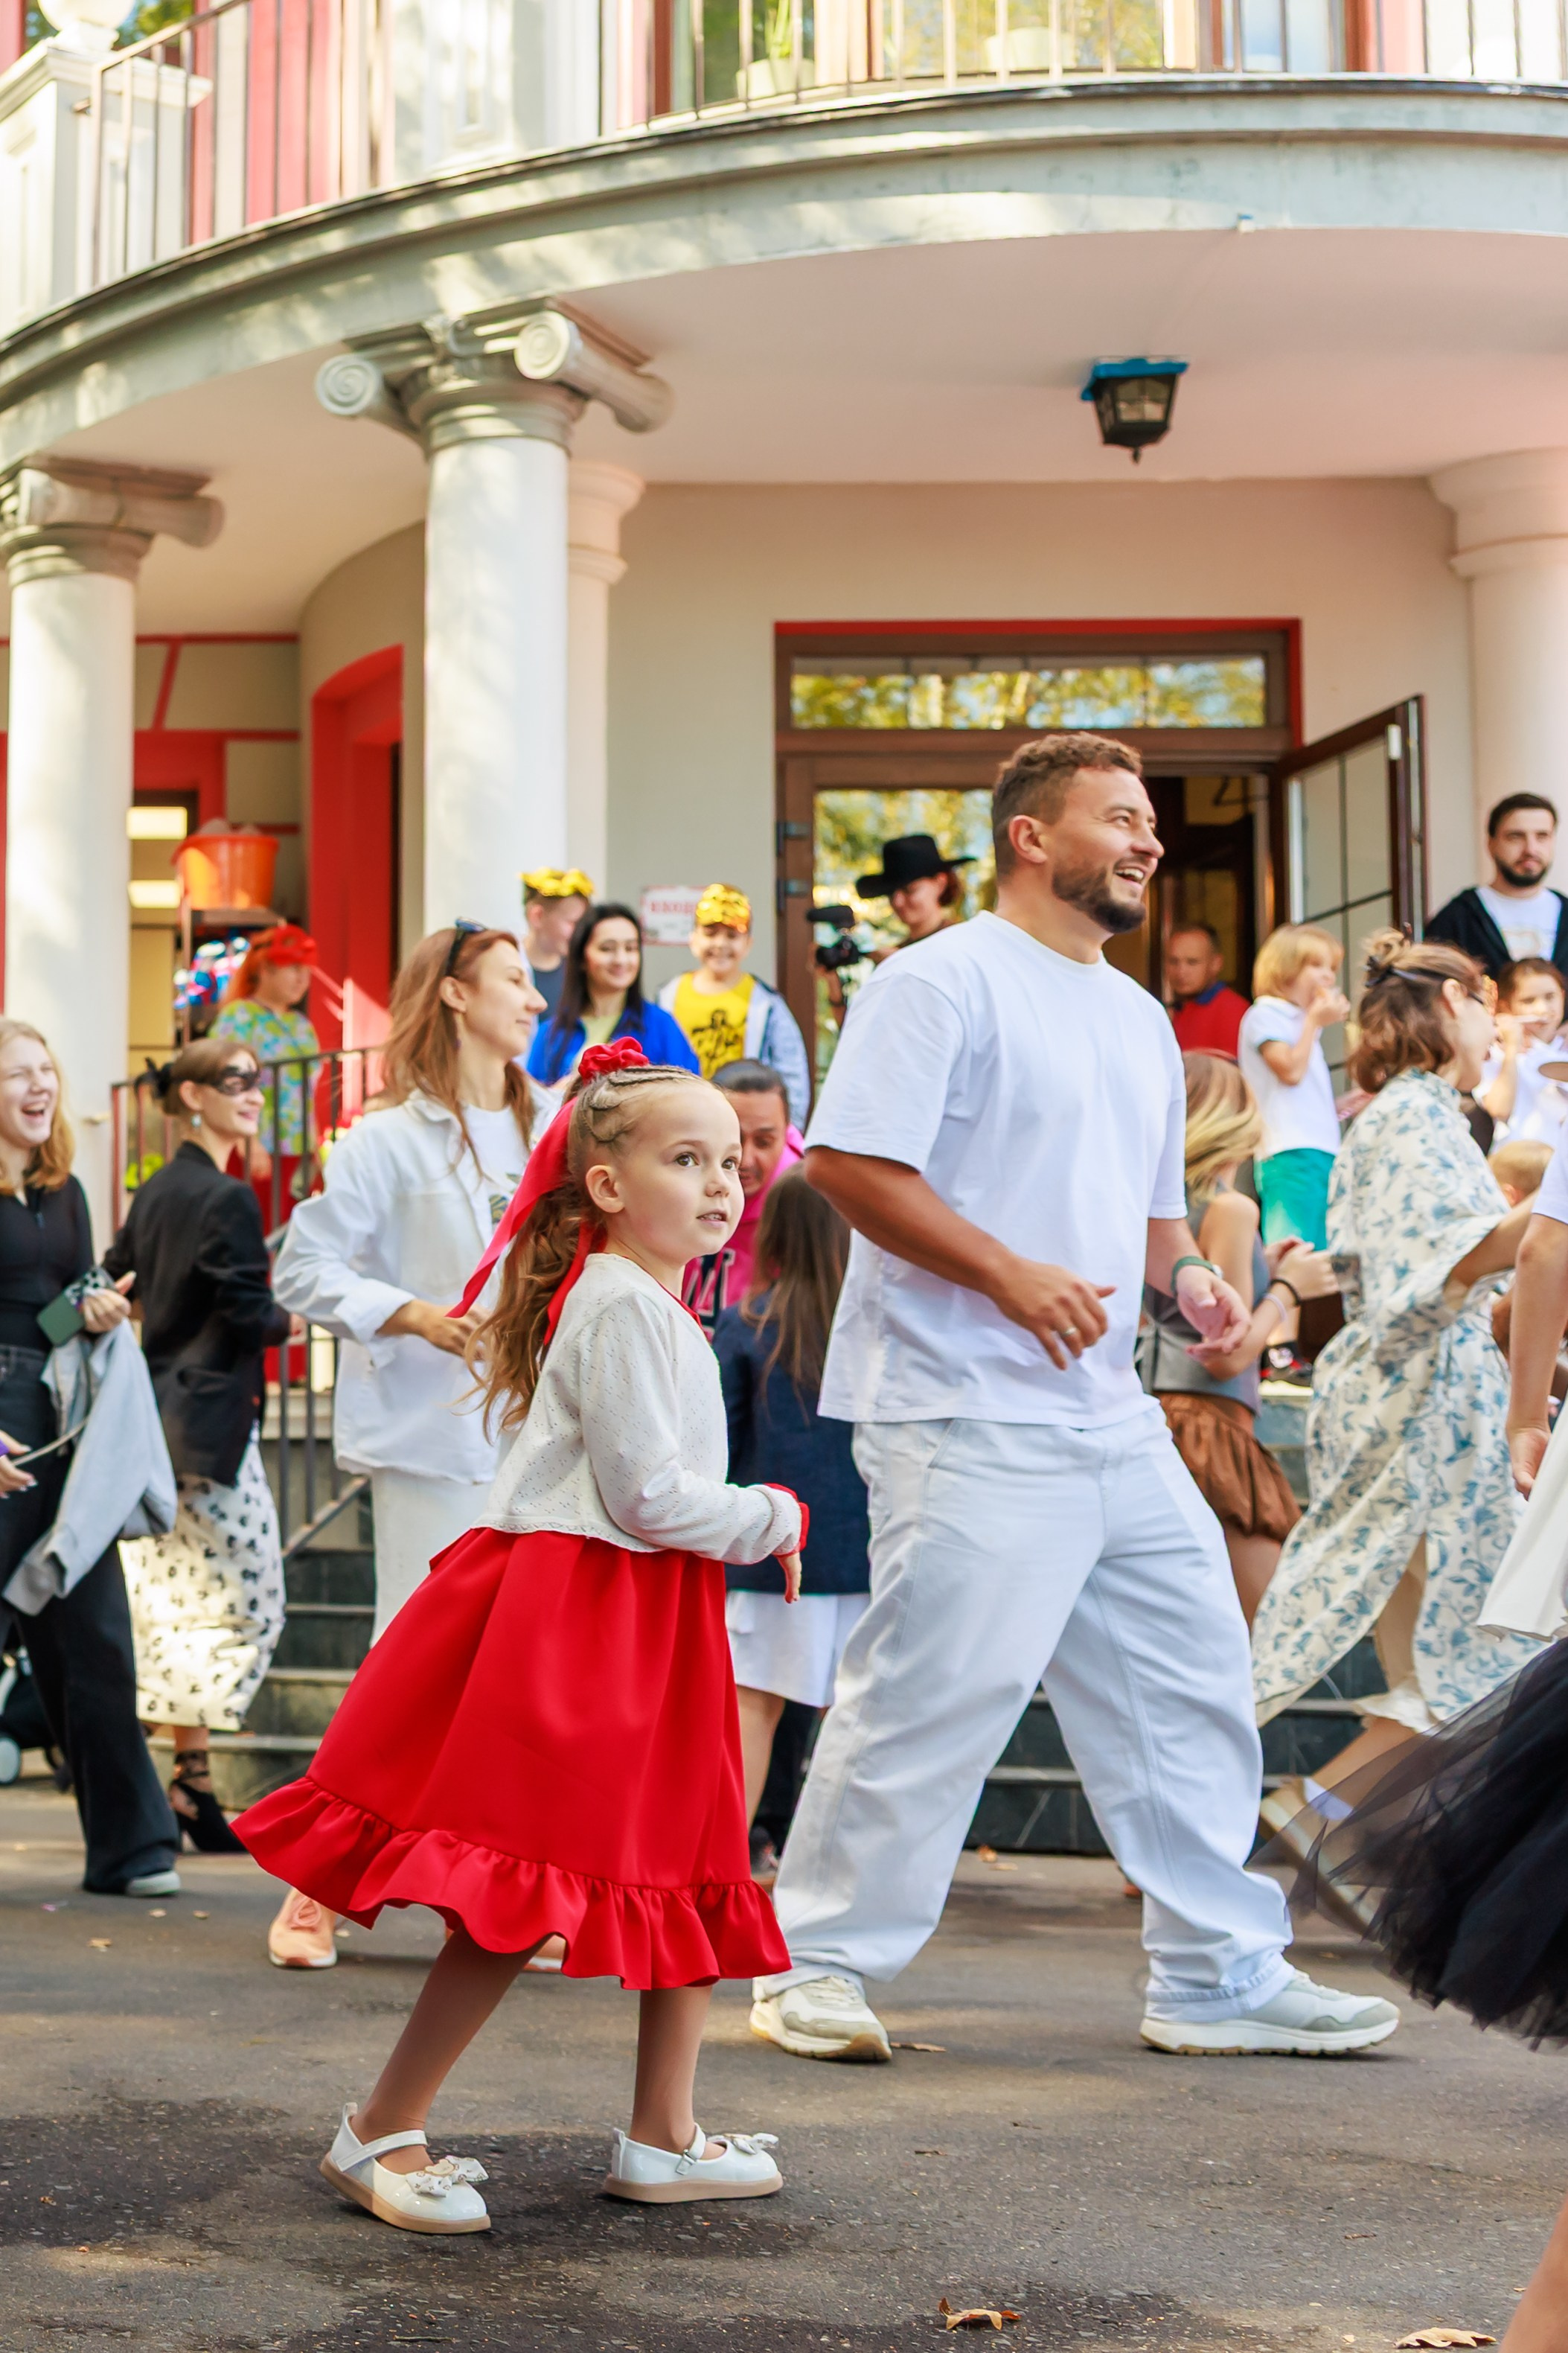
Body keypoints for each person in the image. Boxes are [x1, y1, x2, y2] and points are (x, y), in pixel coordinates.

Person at [749, 729, 1396, 2066]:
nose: (1149, 841)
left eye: (1149, 820)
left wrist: (1190, 1297)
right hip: (960, 1404)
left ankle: (1217, 1974)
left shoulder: (1139, 1020)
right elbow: (852, 1169)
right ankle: (814, 1960)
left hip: (1109, 1411)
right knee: (936, 1689)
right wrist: (1003, 1274)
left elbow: (1153, 1224)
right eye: (1120, 816)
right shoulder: (938, 983)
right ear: (1031, 836)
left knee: (1194, 1676)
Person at [236, 1045, 802, 2228]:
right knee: (522, 1875)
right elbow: (648, 1495)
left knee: (691, 1857)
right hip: (596, 1610)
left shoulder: (627, 1295)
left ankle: (665, 2132)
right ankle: (380, 2127)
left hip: (638, 1607)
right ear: (605, 1185)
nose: (721, 1181)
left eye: (731, 1159)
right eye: (684, 1158)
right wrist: (772, 1515)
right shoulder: (627, 1308)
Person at [269, 924, 550, 1967]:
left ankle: (493, 1902)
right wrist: (411, 1314)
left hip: (532, 1442)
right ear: (454, 996)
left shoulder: (551, 1127)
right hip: (429, 1437)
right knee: (406, 1661)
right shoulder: (383, 1139)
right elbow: (303, 1270)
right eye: (515, 981)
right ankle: (314, 1890)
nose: (533, 998)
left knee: (513, 1680)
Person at [1252, 933, 1542, 1869]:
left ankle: (1335, 1835)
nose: (1497, 1024)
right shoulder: (1414, 1117)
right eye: (1488, 999)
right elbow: (1448, 1259)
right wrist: (1550, 1215)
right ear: (1456, 1000)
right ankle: (1312, 1819)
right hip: (1424, 1410)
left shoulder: (1406, 1114)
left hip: (1415, 1401)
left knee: (1448, 1660)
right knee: (1473, 1657)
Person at [0, 1020, 182, 1897]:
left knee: (95, 1634)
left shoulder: (62, 1188)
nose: (39, 1086)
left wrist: (95, 1305)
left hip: (59, 1420)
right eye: (16, 1074)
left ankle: (133, 1848)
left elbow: (46, 1316)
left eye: (47, 1070)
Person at [109, 1040, 292, 1854]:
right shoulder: (225, 1195)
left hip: (158, 1424)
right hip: (208, 1428)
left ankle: (191, 1785)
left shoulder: (154, 1190)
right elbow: (250, 1309)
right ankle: (166, 1780)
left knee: (177, 1603)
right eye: (234, 1081)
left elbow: (113, 1279)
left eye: (256, 1080)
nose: (251, 1094)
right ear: (191, 1095)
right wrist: (296, 1314)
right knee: (252, 1601)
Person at [1137, 1053, 1338, 1626]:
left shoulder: (1165, 1208)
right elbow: (1226, 1354)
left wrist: (1261, 1269)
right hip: (1209, 1430)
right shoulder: (1230, 1206)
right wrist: (1287, 1291)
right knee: (1273, 1631)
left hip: (1171, 1418)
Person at [716, 1171, 870, 1850]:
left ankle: (724, 1868)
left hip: (772, 1551)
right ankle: (840, 1873)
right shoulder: (878, 1331)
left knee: (753, 1711)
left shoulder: (746, 1325)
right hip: (869, 1551)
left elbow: (719, 1443)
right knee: (857, 1722)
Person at [658, 887, 810, 1126]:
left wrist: (790, 1132)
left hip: (742, 1123)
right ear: (693, 939)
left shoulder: (767, 1004)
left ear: (748, 943)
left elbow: (792, 1074)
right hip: (680, 1120)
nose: (720, 944)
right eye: (710, 933)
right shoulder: (668, 996)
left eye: (732, 936)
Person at [1237, 925, 1348, 1251]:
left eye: (1332, 968)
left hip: (1320, 1151)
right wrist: (1314, 1022)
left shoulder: (1300, 1022)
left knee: (1320, 1259)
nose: (1328, 976)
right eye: (1316, 966)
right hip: (1288, 1151)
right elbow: (1289, 1071)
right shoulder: (1266, 1013)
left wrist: (1345, 1104)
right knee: (1294, 1254)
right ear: (1285, 970)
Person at [211, 922, 321, 1229]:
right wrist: (248, 1140)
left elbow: (308, 1093)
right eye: (293, 967)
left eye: (307, 969)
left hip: (298, 1148)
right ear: (265, 970)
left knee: (291, 1235)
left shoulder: (302, 1024)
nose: (302, 978)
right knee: (253, 1232)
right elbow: (223, 1080)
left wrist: (315, 1146)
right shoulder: (239, 1016)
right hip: (255, 1148)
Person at [682, 1061, 803, 1335]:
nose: (745, 1160)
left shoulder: (803, 1205)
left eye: (764, 1142)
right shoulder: (671, 1180)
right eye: (732, 1138)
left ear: (786, 1134)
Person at [531, 904, 697, 1089]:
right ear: (582, 958)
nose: (621, 960)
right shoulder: (551, 1033)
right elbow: (531, 1105)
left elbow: (692, 1094)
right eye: (607, 948)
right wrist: (561, 1090)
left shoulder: (662, 1026)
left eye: (630, 948)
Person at [1426, 791, 1568, 980]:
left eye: (1542, 836)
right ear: (1491, 843)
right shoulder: (1457, 920)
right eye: (1516, 836)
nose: (1530, 849)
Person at [1477, 957, 1568, 1143]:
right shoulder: (1495, 1051)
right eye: (1528, 1001)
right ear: (1505, 1007)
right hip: (1520, 1162)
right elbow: (1499, 1109)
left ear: (1563, 996)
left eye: (1550, 997)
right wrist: (1511, 1049)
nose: (1542, 1009)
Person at [857, 834, 973, 962]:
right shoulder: (892, 956)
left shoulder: (964, 942)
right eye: (890, 893)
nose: (897, 902)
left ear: (940, 883)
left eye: (909, 890)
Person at [1165, 923, 1249, 1059]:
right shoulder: (1176, 1009)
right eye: (1174, 962)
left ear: (1216, 964)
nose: (1181, 972)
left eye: (1192, 962)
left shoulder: (1232, 1011)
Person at [520, 869, 594, 1020]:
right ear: (538, 917)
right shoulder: (508, 966)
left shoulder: (580, 972)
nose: (580, 932)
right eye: (573, 922)